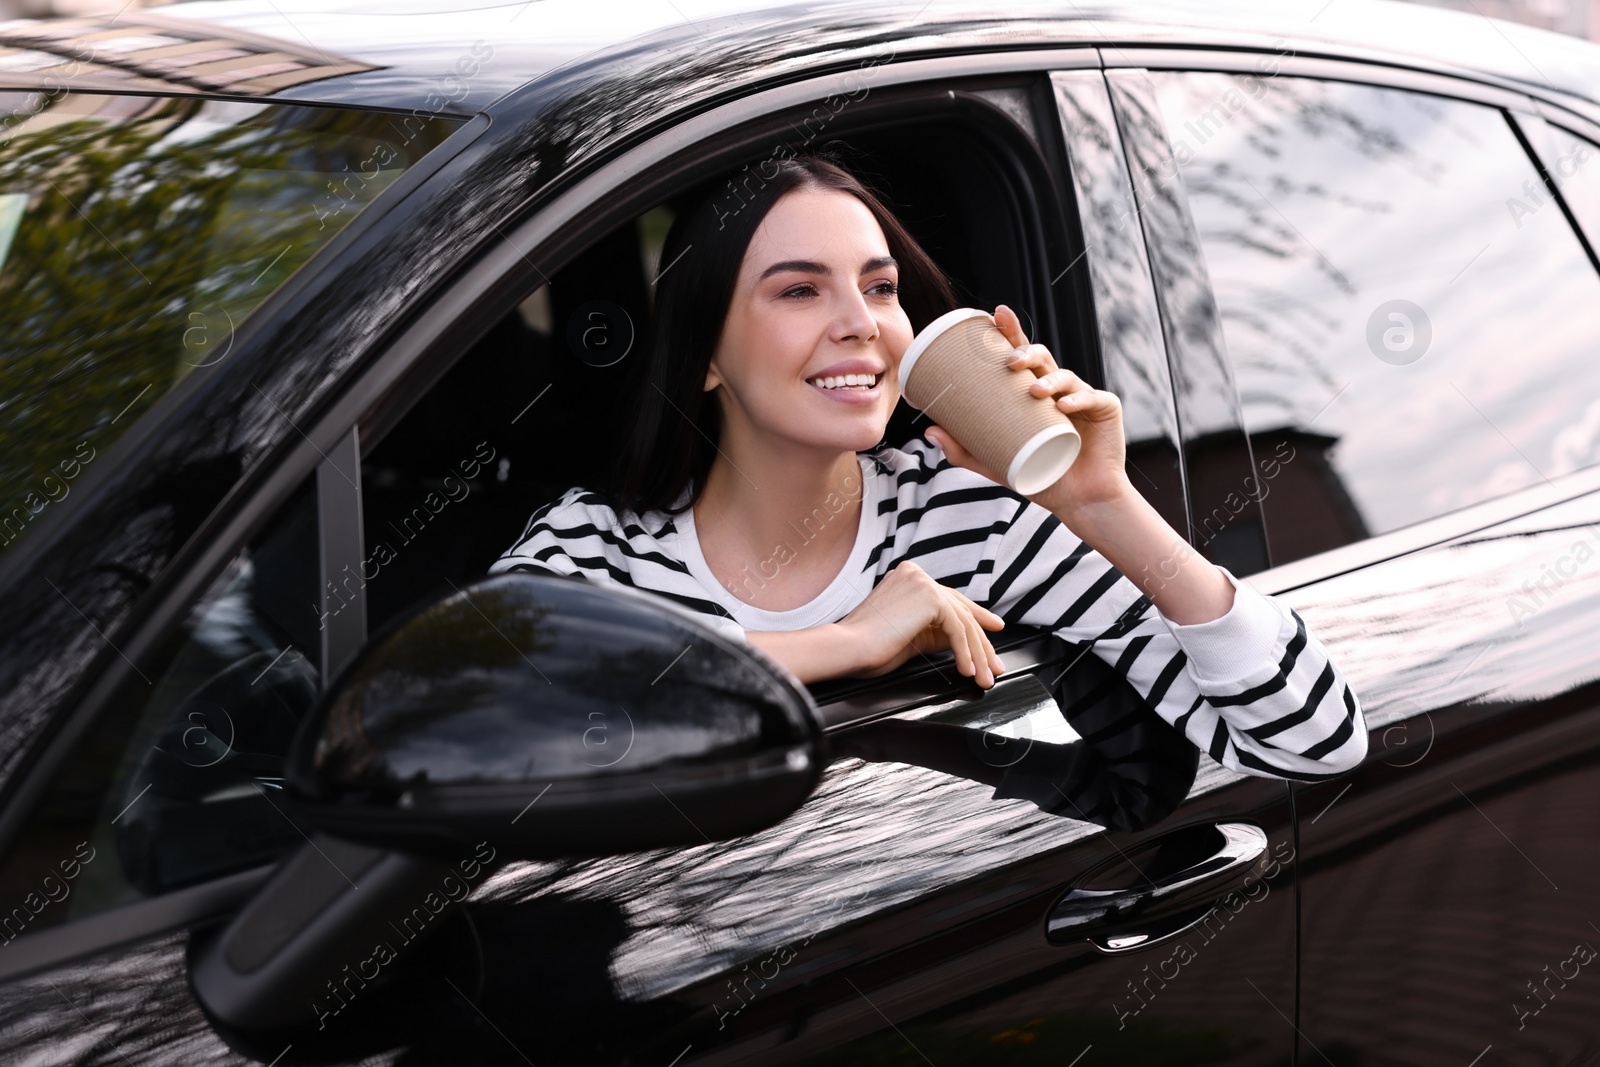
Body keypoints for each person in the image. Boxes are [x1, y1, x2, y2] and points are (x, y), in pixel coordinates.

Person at [488, 152, 1367, 784]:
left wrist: (1104, 501)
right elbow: (470, 717)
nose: (861, 322)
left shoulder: (973, 522)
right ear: (702, 356)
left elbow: (1316, 741)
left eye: (879, 287)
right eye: (800, 290)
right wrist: (847, 643)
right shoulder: (592, 546)